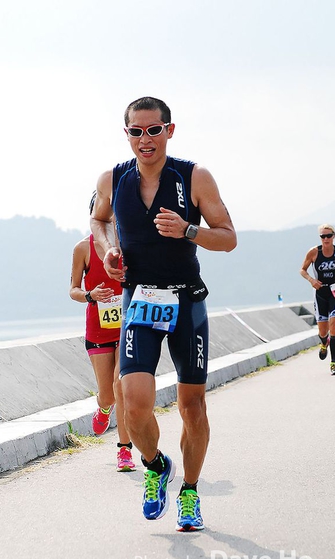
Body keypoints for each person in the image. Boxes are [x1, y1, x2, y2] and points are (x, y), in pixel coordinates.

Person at [91, 96, 237, 531]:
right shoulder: (112, 179)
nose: (145, 139)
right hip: (140, 299)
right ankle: (155, 466)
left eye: (154, 130)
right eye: (136, 131)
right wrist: (109, 249)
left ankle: (189, 492)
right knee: (133, 405)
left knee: (192, 407)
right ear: (127, 134)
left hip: (187, 301)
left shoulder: (194, 177)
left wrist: (189, 230)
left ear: (169, 131)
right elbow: (99, 221)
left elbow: (228, 237)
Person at [70, 193, 135, 471]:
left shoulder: (130, 247)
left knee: (122, 387)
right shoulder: (82, 249)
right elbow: (73, 290)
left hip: (127, 326)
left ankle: (124, 450)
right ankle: (103, 407)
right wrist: (90, 295)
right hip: (98, 330)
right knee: (109, 395)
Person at [300, 223, 335, 375]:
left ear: (333, 236)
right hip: (320, 293)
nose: (326, 239)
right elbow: (302, 270)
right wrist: (311, 280)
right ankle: (324, 342)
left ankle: (334, 363)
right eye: (323, 236)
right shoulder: (314, 252)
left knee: (334, 325)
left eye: (328, 236)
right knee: (323, 331)